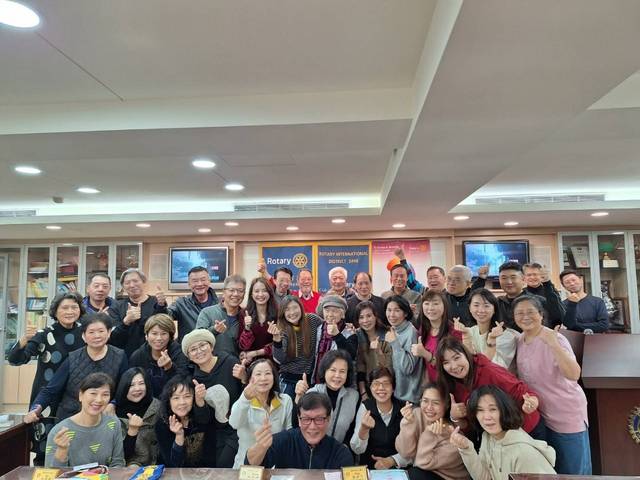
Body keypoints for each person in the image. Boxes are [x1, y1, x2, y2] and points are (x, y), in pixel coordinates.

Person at [513, 295, 591, 474]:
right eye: (519, 313)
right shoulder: (519, 340)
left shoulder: (555, 338)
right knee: (552, 470)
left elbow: (574, 374)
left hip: (565, 415)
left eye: (531, 312)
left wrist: (554, 345)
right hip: (540, 417)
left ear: (541, 314)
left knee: (573, 471)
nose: (525, 317)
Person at [9, 292, 85, 464]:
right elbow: (15, 359)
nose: (70, 311)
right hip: (47, 397)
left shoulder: (85, 333)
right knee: (44, 447)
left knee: (74, 445)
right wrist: (25, 339)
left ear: (80, 310)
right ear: (55, 311)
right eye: (64, 307)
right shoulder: (44, 334)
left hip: (75, 396)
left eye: (74, 307)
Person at [26, 313, 128, 423]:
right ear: (83, 336)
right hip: (71, 416)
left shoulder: (120, 356)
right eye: (91, 332)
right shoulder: (72, 358)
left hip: (103, 416)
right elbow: (51, 390)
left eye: (101, 331)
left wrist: (113, 403)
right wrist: (35, 410)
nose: (97, 336)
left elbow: (125, 388)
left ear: (109, 333)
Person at [435, 336, 544, 440]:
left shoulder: (490, 371)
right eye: (446, 362)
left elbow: (525, 393)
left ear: (466, 354)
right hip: (496, 438)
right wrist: (454, 417)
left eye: (456, 358)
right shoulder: (450, 385)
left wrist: (530, 403)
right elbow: (468, 426)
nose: (454, 366)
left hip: (526, 430)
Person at [450, 385, 556, 480]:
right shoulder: (488, 437)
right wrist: (466, 449)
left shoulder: (524, 453)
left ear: (505, 409)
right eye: (480, 410)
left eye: (493, 409)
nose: (486, 417)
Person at [182, 328, 243, 467]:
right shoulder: (194, 379)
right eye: (193, 349)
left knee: (225, 465)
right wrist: (199, 401)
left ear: (211, 346)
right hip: (217, 432)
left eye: (202, 345)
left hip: (240, 425)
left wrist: (244, 378)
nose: (199, 351)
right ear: (189, 357)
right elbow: (203, 420)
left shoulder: (230, 363)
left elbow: (248, 394)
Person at [246, 391, 354, 468]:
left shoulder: (340, 452)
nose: (312, 427)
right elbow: (250, 466)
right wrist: (260, 446)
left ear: (328, 419)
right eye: (306, 419)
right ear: (299, 419)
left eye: (319, 419)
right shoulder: (284, 440)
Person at [44, 372, 125, 467]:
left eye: (105, 394)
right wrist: (62, 450)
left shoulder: (113, 423)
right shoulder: (59, 431)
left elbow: (118, 463)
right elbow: (51, 473)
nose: (99, 399)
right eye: (93, 393)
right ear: (81, 395)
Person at [229, 358, 293, 468]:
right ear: (250, 379)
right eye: (258, 374)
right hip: (246, 466)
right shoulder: (243, 402)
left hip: (274, 466)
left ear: (274, 377)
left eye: (268, 373)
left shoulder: (285, 400)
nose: (263, 378)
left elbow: (289, 433)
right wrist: (245, 398)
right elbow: (234, 423)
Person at [395, 383, 468, 480]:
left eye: (436, 403)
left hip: (447, 477)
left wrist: (429, 435)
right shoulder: (416, 414)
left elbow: (421, 463)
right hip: (422, 473)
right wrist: (408, 423)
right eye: (425, 401)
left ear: (446, 405)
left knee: (414, 474)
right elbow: (405, 452)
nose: (429, 407)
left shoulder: (453, 434)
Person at [350, 368, 409, 470]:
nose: (381, 388)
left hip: (397, 469)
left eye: (386, 384)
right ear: (370, 388)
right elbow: (357, 449)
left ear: (393, 388)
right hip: (370, 468)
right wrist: (364, 429)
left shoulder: (404, 409)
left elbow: (412, 450)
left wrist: (392, 460)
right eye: (376, 384)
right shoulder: (365, 407)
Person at [154, 375, 217, 467]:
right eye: (176, 398)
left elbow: (211, 456)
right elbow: (173, 464)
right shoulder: (162, 424)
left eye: (187, 396)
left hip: (204, 471)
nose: (182, 402)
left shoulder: (205, 415)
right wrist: (179, 436)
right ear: (169, 401)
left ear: (194, 398)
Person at [298, 350, 359, 444]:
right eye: (333, 370)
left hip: (338, 451)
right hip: (312, 448)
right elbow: (300, 425)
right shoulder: (312, 393)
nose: (337, 375)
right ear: (324, 371)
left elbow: (352, 429)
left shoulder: (353, 396)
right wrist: (298, 397)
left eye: (342, 371)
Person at [109, 269, 168, 357]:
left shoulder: (156, 302)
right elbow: (113, 338)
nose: (132, 285)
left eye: (135, 281)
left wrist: (161, 306)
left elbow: (164, 327)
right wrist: (126, 322)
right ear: (123, 287)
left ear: (143, 282)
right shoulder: (117, 306)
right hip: (125, 356)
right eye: (127, 283)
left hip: (153, 356)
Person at [272, 296, 322, 399]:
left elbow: (326, 327)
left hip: (309, 378)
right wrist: (277, 340)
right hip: (289, 378)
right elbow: (280, 360)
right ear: (283, 313)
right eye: (287, 309)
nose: (292, 312)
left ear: (301, 307)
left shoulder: (312, 320)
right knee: (288, 406)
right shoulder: (282, 329)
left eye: (295, 307)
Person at [129, 313, 189, 397]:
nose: (159, 338)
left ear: (170, 336)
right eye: (154, 333)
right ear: (146, 335)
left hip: (173, 398)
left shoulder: (180, 354)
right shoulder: (137, 356)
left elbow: (184, 383)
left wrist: (170, 368)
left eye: (164, 333)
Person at [459, 288, 519, 371]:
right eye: (476, 305)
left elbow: (495, 367)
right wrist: (466, 337)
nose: (481, 310)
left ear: (494, 309)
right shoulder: (470, 331)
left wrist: (492, 340)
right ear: (470, 308)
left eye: (486, 306)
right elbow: (468, 361)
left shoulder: (507, 336)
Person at [411, 290, 462, 382]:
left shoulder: (454, 331)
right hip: (432, 384)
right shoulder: (423, 329)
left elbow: (454, 365)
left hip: (451, 383)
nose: (430, 308)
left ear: (444, 306)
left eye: (435, 303)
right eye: (427, 303)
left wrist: (425, 354)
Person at [496, 262, 562, 331]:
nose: (509, 282)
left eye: (513, 277)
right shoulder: (497, 303)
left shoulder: (538, 301)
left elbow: (558, 318)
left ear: (523, 279)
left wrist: (547, 283)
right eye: (504, 278)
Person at [115, 367, 161, 466]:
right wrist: (132, 430)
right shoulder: (115, 414)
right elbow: (121, 456)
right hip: (132, 464)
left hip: (160, 462)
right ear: (124, 387)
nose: (137, 388)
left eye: (141, 383)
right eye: (131, 385)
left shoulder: (158, 406)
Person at [384, 296, 423, 404]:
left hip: (408, 398)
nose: (391, 315)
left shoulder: (411, 333)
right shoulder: (394, 330)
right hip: (396, 393)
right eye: (389, 310)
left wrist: (394, 343)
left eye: (397, 310)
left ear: (405, 313)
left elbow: (407, 368)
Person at [196, 274, 246, 356]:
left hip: (237, 363)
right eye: (231, 290)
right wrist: (214, 330)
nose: (236, 294)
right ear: (224, 292)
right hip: (211, 363)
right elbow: (197, 338)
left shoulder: (246, 316)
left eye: (240, 291)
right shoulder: (207, 312)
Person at [312, 295, 357, 382]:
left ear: (342, 314)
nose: (330, 314)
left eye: (335, 311)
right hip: (317, 380)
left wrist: (337, 335)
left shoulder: (349, 331)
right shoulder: (318, 329)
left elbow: (351, 355)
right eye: (327, 310)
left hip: (338, 380)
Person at [167, 266, 219, 342]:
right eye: (195, 281)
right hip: (189, 348)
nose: (199, 284)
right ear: (189, 284)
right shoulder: (181, 303)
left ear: (209, 281)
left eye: (203, 280)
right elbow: (166, 317)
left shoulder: (220, 304)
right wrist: (161, 306)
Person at [355, 301, 392, 399]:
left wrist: (378, 351)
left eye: (369, 316)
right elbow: (360, 368)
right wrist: (363, 393)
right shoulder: (357, 336)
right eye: (361, 317)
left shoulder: (388, 334)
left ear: (375, 316)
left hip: (386, 387)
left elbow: (388, 367)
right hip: (367, 389)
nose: (365, 320)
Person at [238, 277, 277, 362]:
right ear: (251, 294)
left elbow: (280, 344)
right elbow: (243, 347)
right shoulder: (244, 313)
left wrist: (256, 353)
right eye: (256, 291)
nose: (260, 294)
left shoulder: (278, 313)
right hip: (251, 362)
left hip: (272, 362)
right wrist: (247, 329)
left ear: (270, 293)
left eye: (264, 291)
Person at [522, 263, 565, 327]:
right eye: (529, 275)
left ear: (541, 275)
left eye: (535, 274)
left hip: (550, 328)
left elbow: (559, 313)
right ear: (524, 277)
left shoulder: (550, 290)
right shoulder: (521, 293)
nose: (532, 277)